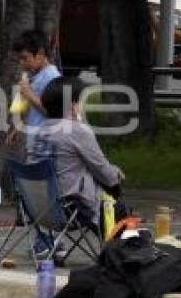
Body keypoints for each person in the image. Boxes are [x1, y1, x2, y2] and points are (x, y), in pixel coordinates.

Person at [35, 77, 125, 228]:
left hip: (39, 207)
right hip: (69, 209)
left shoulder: (40, 130)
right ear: (72, 105)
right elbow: (105, 173)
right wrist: (116, 173)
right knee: (116, 201)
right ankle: (117, 250)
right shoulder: (78, 131)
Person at [6, 29, 61, 156]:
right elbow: (35, 110)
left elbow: (53, 113)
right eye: (20, 59)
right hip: (35, 143)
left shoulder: (51, 77)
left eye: (25, 58)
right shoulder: (35, 76)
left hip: (47, 145)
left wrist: (28, 94)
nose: (22, 63)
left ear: (40, 54)